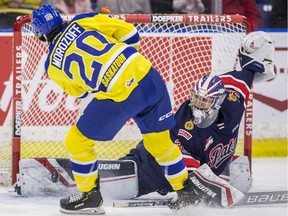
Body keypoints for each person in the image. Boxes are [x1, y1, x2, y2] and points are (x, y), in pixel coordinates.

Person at [31, 4, 198, 215]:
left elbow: (81, 93)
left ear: (40, 34)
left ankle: (89, 195)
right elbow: (131, 33)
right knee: (159, 142)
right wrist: (122, 63)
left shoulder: (51, 65)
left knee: (77, 140)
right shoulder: (82, 20)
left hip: (121, 93)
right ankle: (185, 191)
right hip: (148, 76)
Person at [121, 31, 275, 206]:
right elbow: (188, 174)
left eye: (204, 101)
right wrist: (193, 194)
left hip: (189, 166)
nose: (198, 105)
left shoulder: (235, 99)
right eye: (196, 99)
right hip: (155, 168)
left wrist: (260, 48)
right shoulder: (186, 126)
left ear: (218, 102)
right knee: (121, 177)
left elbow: (249, 70)